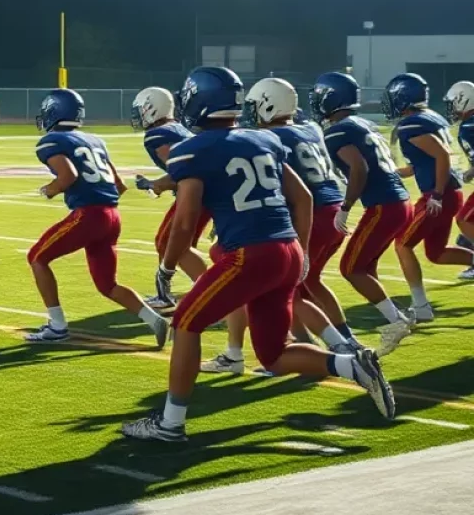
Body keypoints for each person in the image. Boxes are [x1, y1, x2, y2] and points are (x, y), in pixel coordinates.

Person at [121, 67, 395, 443]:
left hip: (248, 255)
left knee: (185, 324)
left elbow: (184, 222)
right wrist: (299, 249)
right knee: (274, 354)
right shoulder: (262, 140)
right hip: (285, 251)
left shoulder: (192, 149)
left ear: (198, 100)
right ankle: (351, 365)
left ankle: (170, 423)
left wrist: (167, 268)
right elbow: (304, 198)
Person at [197, 78, 361, 374]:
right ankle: (324, 343)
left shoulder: (271, 137)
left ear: (268, 104)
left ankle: (342, 348)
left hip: (306, 215)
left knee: (286, 289)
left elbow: (281, 189)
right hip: (331, 209)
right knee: (302, 285)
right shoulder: (309, 128)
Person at [25, 88, 169, 346]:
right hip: (112, 215)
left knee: (37, 258)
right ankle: (154, 320)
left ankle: (57, 326)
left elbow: (68, 176)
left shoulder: (52, 142)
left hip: (89, 215)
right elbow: (119, 185)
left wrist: (50, 189)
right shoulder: (95, 141)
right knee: (107, 284)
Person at [310, 71, 415, 355]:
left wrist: (345, 207)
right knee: (365, 267)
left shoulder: (338, 131)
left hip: (383, 205)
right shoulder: (364, 124)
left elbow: (359, 168)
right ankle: (395, 315)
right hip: (399, 201)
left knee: (350, 268)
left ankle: (397, 320)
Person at [384, 73, 474, 313]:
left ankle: (421, 306)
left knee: (402, 244)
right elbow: (424, 161)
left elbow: (442, 155)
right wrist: (395, 171)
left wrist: (435, 193)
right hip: (449, 192)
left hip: (440, 195)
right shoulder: (430, 118)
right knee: (436, 253)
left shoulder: (412, 124)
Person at [130, 86, 211, 305]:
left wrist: (156, 184)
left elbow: (184, 172)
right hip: (206, 194)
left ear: (151, 108)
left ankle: (211, 295)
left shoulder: (158, 135)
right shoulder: (178, 128)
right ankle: (165, 293)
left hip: (196, 196)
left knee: (172, 244)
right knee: (171, 243)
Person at [444, 80, 474, 270]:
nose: (452, 108)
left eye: (454, 102)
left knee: (464, 219)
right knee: (465, 238)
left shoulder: (469, 126)